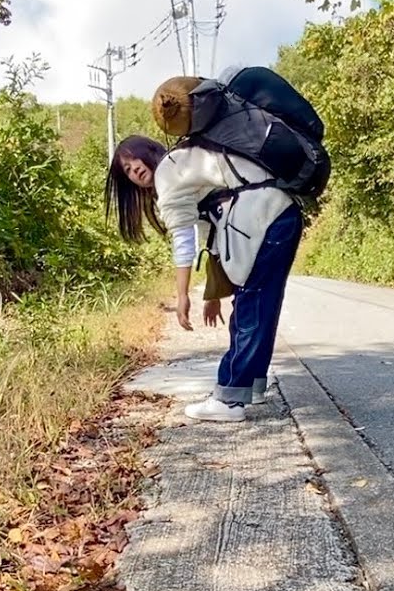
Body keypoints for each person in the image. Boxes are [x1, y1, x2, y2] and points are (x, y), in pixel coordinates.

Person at [105, 77, 303, 423]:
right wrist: (213, 292)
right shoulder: (191, 157)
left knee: (252, 308)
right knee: (260, 305)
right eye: (126, 170)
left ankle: (229, 399)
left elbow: (185, 239)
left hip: (263, 220)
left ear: (149, 151)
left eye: (134, 160)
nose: (134, 169)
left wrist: (182, 295)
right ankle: (251, 386)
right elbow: (213, 234)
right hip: (279, 214)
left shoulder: (170, 171)